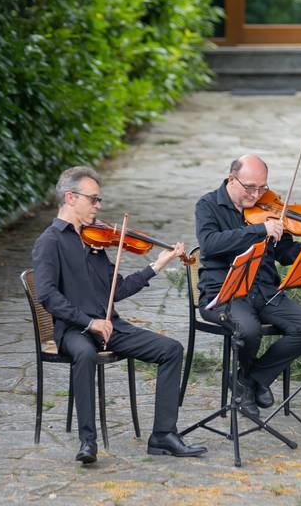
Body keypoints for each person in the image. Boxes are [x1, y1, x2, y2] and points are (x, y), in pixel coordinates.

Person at [32, 166, 206, 464]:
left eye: (99, 200)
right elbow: (47, 296)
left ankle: (163, 435)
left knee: (171, 350)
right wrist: (89, 322)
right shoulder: (50, 242)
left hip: (110, 326)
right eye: (94, 199)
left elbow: (119, 288)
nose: (98, 206)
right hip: (74, 330)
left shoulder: (95, 242)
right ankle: (88, 442)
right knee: (84, 355)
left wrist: (157, 266)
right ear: (71, 197)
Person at [195, 155, 301, 418]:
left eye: (262, 187)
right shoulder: (208, 205)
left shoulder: (268, 208)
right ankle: (250, 384)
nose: (257, 194)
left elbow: (285, 254)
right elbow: (210, 244)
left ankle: (249, 380)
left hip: (264, 291)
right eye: (250, 187)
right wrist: (260, 230)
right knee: (248, 330)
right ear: (231, 179)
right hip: (225, 292)